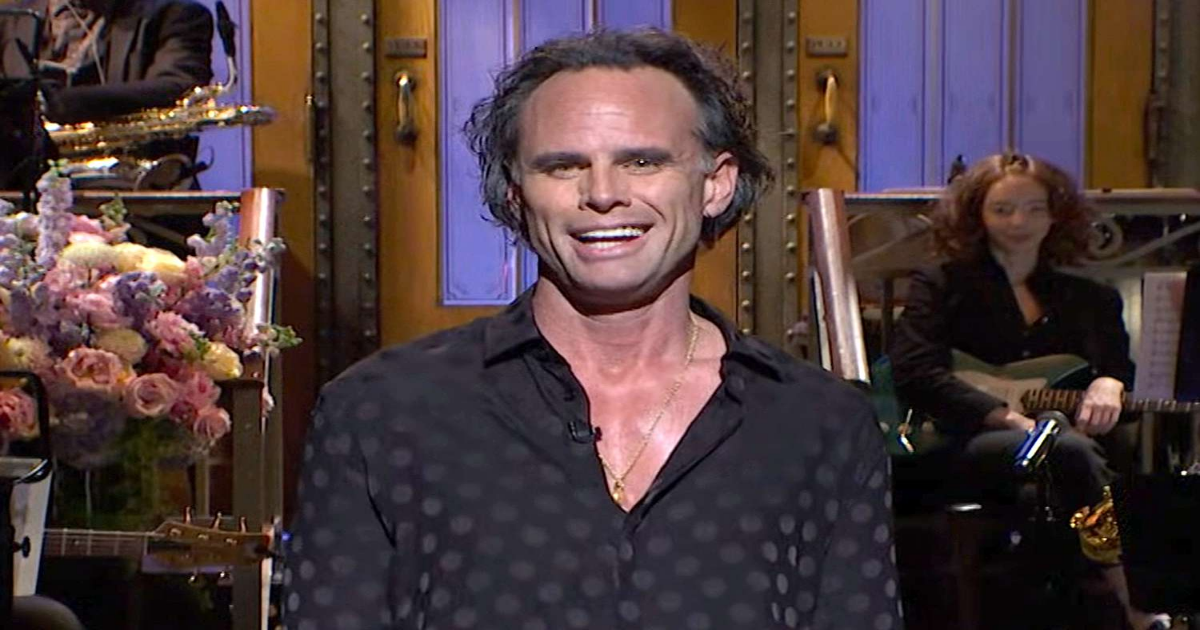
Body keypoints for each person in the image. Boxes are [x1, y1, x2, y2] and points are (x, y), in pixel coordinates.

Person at [285, 29, 902, 630]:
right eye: (563, 166)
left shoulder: (819, 424)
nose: (603, 194)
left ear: (716, 184)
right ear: (515, 194)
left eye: (642, 161)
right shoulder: (382, 412)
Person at [890, 153, 1169, 630]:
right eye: (1003, 209)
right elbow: (915, 371)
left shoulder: (1092, 298)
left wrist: (1109, 384)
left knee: (1079, 449)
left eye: (1035, 208)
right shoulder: (940, 285)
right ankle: (1130, 597)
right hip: (963, 444)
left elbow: (1120, 381)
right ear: (977, 215)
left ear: (1055, 215)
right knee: (1070, 451)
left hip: (1064, 452)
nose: (1019, 222)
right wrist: (1005, 416)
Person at [0, 0, 213, 187]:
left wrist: (68, 102)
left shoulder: (175, 14)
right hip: (21, 193)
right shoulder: (10, 17)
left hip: (138, 195)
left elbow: (178, 85)